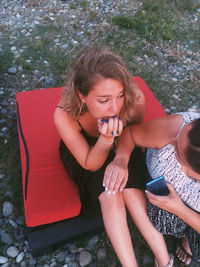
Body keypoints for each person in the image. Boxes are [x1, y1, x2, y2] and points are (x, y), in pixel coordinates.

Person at [54, 46, 148, 267]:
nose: (115, 107)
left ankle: (163, 256)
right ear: (82, 95)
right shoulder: (64, 115)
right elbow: (90, 163)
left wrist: (121, 158)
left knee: (131, 189)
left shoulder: (135, 101)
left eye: (120, 95)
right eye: (104, 100)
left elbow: (133, 132)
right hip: (88, 154)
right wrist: (105, 141)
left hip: (123, 142)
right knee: (110, 194)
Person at [104, 111, 200, 267]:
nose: (172, 141)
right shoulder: (175, 128)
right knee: (161, 219)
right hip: (162, 186)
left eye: (177, 151)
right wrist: (121, 159)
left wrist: (180, 210)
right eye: (181, 133)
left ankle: (189, 239)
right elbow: (130, 134)